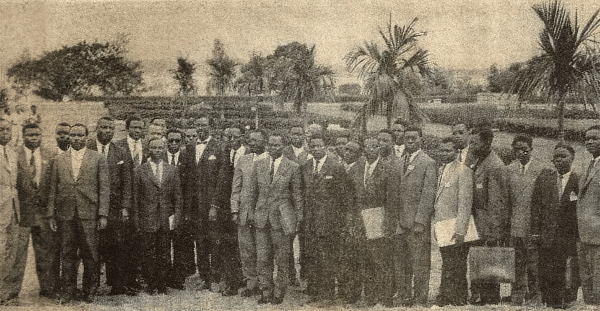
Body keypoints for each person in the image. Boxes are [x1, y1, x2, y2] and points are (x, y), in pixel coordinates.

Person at [47, 123, 109, 303]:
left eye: (80, 135)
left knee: (90, 253)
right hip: (65, 214)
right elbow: (53, 188)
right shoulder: (59, 160)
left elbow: (104, 188)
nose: (76, 138)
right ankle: (68, 291)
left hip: (89, 213)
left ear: (87, 137)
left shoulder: (98, 159)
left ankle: (90, 290)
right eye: (73, 135)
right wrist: (51, 214)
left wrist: (103, 214)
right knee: (67, 254)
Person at [252, 132, 303, 305]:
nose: (273, 148)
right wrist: (253, 213)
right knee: (263, 257)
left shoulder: (293, 167)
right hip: (261, 218)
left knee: (282, 258)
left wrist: (298, 218)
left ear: (283, 146)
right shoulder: (259, 165)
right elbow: (253, 192)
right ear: (267, 145)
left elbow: (297, 195)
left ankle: (279, 291)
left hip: (282, 218)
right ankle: (266, 290)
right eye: (271, 145)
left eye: (277, 145)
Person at [86, 117, 134, 296]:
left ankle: (116, 284)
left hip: (114, 207)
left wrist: (125, 206)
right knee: (92, 246)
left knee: (115, 244)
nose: (107, 131)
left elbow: (127, 181)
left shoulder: (121, 151)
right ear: (96, 128)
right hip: (91, 205)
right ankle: (92, 285)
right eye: (103, 127)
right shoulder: (87, 147)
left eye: (110, 128)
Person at [301, 134, 350, 307]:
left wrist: (340, 222)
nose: (315, 149)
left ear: (326, 146)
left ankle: (328, 295)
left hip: (329, 223)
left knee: (327, 259)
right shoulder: (305, 166)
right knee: (311, 258)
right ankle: (313, 292)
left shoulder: (335, 167)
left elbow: (343, 198)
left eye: (319, 146)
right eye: (312, 146)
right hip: (310, 221)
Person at [347, 137, 396, 307]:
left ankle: (385, 297)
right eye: (367, 147)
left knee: (380, 260)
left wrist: (388, 223)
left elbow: (391, 200)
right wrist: (352, 219)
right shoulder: (357, 168)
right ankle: (370, 295)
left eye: (374, 147)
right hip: (360, 219)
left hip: (378, 217)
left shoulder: (388, 169)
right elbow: (351, 197)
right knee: (365, 258)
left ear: (379, 149)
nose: (370, 150)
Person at [530, 143, 579, 308]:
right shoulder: (545, 179)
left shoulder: (578, 180)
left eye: (563, 156)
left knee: (566, 273)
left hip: (568, 237)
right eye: (556, 157)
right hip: (546, 236)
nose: (558, 160)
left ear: (572, 158)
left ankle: (565, 302)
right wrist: (535, 232)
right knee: (546, 271)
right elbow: (536, 207)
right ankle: (549, 303)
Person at [506, 133, 552, 306]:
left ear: (531, 150)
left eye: (524, 149)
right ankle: (517, 295)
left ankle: (534, 297)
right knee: (516, 263)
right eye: (517, 149)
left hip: (533, 227)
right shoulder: (509, 169)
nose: (520, 153)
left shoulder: (542, 169)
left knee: (533, 265)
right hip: (515, 225)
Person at [132, 138, 182, 295]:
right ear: (148, 149)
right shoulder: (140, 170)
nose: (158, 151)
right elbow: (135, 199)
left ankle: (162, 283)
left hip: (165, 218)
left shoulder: (172, 170)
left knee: (164, 252)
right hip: (147, 218)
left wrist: (176, 217)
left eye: (160, 148)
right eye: (154, 148)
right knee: (148, 252)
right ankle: (151, 284)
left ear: (164, 149)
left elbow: (178, 197)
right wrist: (137, 221)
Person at [465, 122, 508, 305]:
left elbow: (497, 203)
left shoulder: (495, 166)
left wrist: (494, 232)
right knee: (479, 262)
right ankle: (480, 296)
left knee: (489, 264)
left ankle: (489, 299)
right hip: (478, 223)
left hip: (488, 226)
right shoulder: (479, 160)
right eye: (471, 143)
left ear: (488, 142)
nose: (472, 147)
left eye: (475, 143)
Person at [180, 115, 225, 289]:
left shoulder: (219, 148)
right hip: (194, 207)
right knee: (200, 241)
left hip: (211, 206)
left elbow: (222, 181)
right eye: (197, 125)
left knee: (214, 241)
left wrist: (214, 205)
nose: (200, 128)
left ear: (210, 126)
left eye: (204, 125)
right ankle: (204, 277)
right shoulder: (188, 149)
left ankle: (216, 277)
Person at [394, 125, 436, 307]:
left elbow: (428, 195)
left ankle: (420, 298)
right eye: (407, 137)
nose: (410, 141)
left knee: (419, 263)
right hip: (399, 223)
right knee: (401, 263)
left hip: (416, 224)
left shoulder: (428, 162)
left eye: (414, 138)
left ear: (421, 139)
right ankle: (403, 295)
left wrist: (420, 221)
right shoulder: (398, 161)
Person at [15, 123, 59, 299]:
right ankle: (10, 291)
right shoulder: (14, 154)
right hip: (22, 213)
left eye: (37, 135)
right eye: (30, 135)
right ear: (23, 136)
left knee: (45, 253)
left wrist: (50, 212)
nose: (34, 138)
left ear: (42, 136)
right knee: (18, 254)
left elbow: (53, 185)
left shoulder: (50, 155)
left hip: (43, 213)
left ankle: (48, 288)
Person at [432, 137, 473, 307]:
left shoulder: (463, 171)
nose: (444, 153)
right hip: (442, 225)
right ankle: (448, 295)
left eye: (448, 150)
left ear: (457, 152)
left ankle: (456, 297)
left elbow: (465, 202)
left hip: (455, 226)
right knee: (448, 262)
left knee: (456, 264)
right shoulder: (441, 169)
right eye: (442, 150)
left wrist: (461, 230)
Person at [231, 129, 269, 298]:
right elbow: (236, 188)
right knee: (246, 251)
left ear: (264, 142)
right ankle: (251, 283)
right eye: (250, 140)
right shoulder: (243, 160)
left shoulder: (271, 160)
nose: (252, 143)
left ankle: (264, 285)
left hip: (263, 215)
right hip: (244, 214)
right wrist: (234, 210)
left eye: (256, 140)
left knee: (263, 252)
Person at [113, 116, 147, 292]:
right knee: (122, 243)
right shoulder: (117, 146)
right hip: (124, 202)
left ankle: (135, 279)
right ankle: (120, 281)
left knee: (139, 242)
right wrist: (123, 205)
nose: (137, 131)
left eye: (140, 128)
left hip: (144, 202)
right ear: (127, 128)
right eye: (134, 127)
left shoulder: (148, 146)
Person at [211, 126, 245, 295]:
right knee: (227, 244)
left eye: (235, 137)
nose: (231, 140)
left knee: (243, 245)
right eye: (228, 137)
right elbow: (220, 182)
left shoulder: (248, 155)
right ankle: (230, 280)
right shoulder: (224, 154)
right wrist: (215, 206)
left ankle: (244, 279)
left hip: (243, 206)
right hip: (225, 208)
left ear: (242, 137)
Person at [0, 118, 29, 306]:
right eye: (1, 130)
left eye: (8, 130)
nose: (5, 134)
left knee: (10, 250)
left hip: (13, 208)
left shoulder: (12, 151)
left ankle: (4, 291)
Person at [337, 141, 363, 304]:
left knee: (352, 257)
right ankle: (342, 288)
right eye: (345, 149)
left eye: (352, 151)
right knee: (341, 256)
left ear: (358, 154)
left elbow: (358, 199)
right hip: (338, 219)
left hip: (352, 219)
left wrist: (352, 220)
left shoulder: (359, 170)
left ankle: (352, 292)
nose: (347, 153)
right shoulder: (340, 168)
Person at [163, 129, 190, 289]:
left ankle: (178, 279)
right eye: (171, 140)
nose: (173, 144)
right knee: (164, 244)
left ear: (182, 142)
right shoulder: (159, 156)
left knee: (180, 245)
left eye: (177, 141)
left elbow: (191, 188)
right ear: (166, 140)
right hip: (164, 208)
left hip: (181, 208)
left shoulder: (188, 158)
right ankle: (165, 277)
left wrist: (185, 211)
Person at [578, 125, 600, 305]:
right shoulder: (589, 164)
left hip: (598, 235)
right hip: (584, 234)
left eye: (595, 138)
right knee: (587, 281)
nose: (590, 142)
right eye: (587, 138)